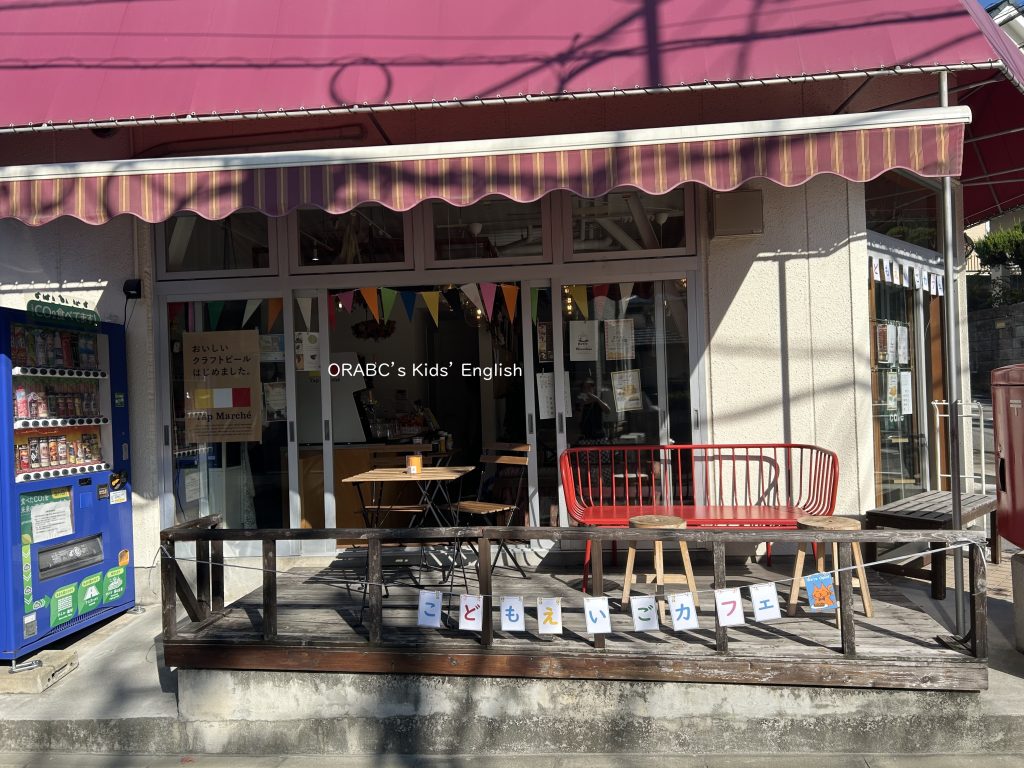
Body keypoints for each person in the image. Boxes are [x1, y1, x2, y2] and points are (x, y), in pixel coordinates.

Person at [576, 376, 610, 443]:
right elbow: (578, 419)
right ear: (582, 389)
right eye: (585, 387)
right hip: (586, 436)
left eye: (589, 387)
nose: (587, 390)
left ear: (593, 388)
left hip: (599, 435)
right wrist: (582, 404)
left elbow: (608, 411)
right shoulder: (579, 402)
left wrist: (597, 399)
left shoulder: (598, 401)